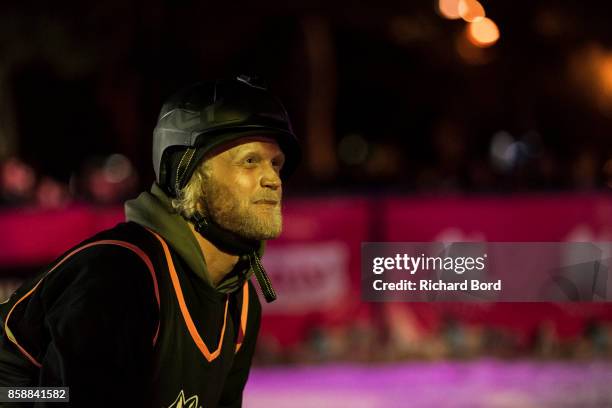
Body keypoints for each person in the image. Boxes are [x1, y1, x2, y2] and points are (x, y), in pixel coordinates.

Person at [0, 75, 301, 407]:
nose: (272, 178)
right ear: (185, 171)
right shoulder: (124, 277)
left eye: (276, 164)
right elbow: (61, 398)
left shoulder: (239, 298)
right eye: (249, 161)